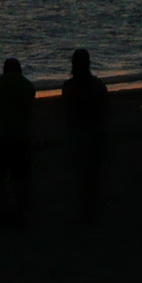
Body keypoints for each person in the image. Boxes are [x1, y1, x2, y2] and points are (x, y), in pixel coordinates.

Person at [0, 57, 35, 226]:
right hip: (21, 136)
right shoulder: (28, 86)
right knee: (20, 179)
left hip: (0, 135)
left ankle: (3, 210)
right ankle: (21, 214)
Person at [61, 48, 110, 222]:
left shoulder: (68, 87)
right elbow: (105, 107)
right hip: (94, 131)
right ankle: (92, 210)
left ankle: (85, 210)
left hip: (78, 132)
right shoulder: (98, 85)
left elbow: (66, 110)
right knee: (94, 174)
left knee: (82, 175)